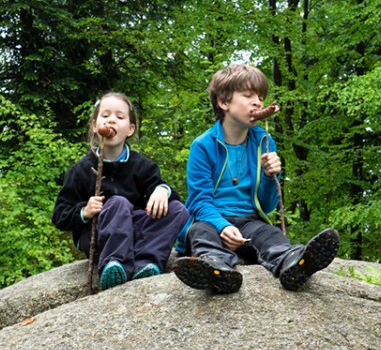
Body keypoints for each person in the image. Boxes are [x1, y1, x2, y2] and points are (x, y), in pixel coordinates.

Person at [174, 64, 338, 294]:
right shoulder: (203, 145)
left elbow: (268, 205)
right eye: (248, 95)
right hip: (211, 220)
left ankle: (293, 263)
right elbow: (200, 202)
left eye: (260, 97)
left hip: (248, 220)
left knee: (270, 234)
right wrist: (223, 226)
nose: (258, 103)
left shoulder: (264, 141)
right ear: (224, 102)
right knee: (200, 233)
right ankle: (215, 268)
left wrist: (272, 177)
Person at [52, 92, 190, 291]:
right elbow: (59, 215)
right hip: (99, 238)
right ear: (94, 125)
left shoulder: (142, 166)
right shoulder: (80, 171)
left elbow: (171, 199)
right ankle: (114, 265)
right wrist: (85, 211)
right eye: (105, 115)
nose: (111, 120)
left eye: (119, 117)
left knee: (177, 209)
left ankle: (146, 263)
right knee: (118, 202)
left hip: (136, 234)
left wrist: (162, 190)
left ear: (130, 129)